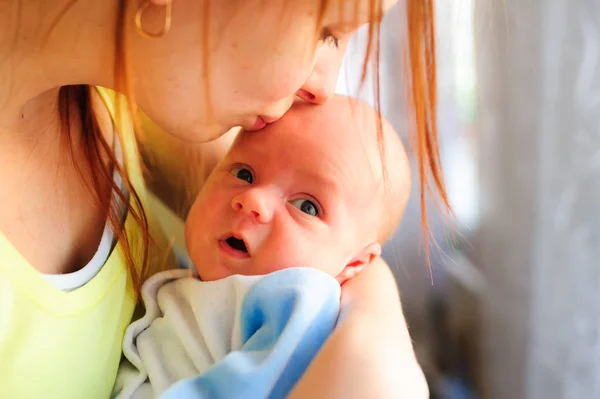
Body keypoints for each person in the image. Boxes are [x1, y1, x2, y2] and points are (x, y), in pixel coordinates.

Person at [0, 0, 442, 398]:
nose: (323, 87)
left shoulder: (137, 107)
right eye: (327, 31)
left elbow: (344, 233)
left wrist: (374, 357)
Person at [115, 96, 410, 398]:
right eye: (244, 174)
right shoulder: (218, 285)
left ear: (354, 264)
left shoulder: (296, 301)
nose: (253, 199)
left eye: (306, 206)